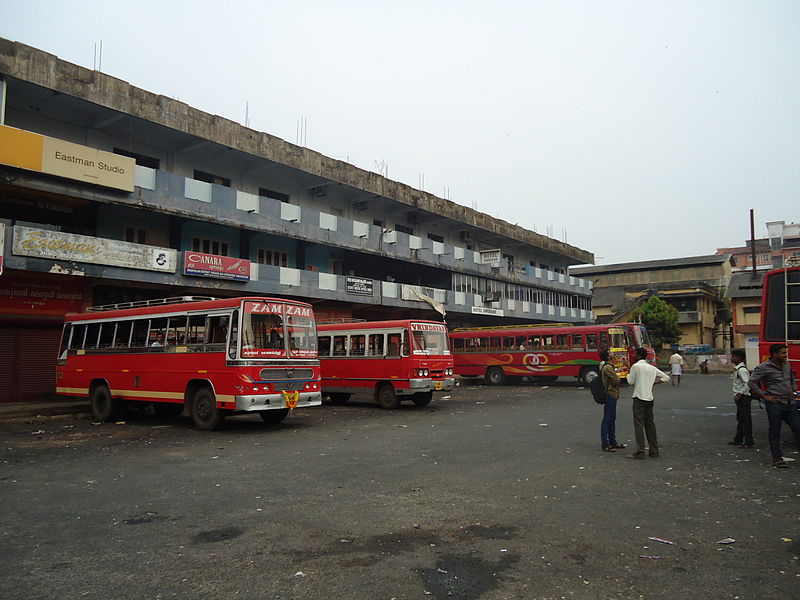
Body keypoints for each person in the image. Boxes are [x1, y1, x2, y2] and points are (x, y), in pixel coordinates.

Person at [748, 344, 800, 468]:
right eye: (783, 353)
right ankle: (777, 458)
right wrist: (764, 396)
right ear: (775, 354)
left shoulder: (786, 365)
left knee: (798, 429)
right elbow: (751, 382)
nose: (785, 355)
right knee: (775, 432)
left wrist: (794, 389)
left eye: (785, 353)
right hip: (775, 404)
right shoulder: (763, 367)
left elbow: (791, 378)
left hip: (790, 403)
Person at [625, 347, 670, 459]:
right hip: (649, 398)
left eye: (635, 354)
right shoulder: (651, 368)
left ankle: (640, 451)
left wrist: (626, 374)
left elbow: (630, 381)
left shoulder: (636, 367)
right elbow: (666, 377)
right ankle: (654, 450)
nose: (633, 355)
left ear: (639, 356)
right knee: (650, 424)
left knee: (639, 425)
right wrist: (655, 383)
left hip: (639, 397)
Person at [598, 350, 624, 453]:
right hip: (610, 394)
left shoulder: (608, 366)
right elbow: (616, 381)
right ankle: (605, 443)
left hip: (612, 394)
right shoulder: (608, 367)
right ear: (608, 356)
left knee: (611, 418)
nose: (612, 354)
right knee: (607, 419)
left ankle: (612, 441)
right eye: (610, 353)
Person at [728, 348, 754, 448]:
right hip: (741, 398)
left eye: (733, 356)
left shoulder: (742, 370)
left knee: (745, 420)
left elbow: (748, 384)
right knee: (741, 419)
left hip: (743, 398)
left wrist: (740, 395)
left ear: (739, 358)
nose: (731, 358)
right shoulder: (738, 369)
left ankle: (748, 441)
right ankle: (738, 439)